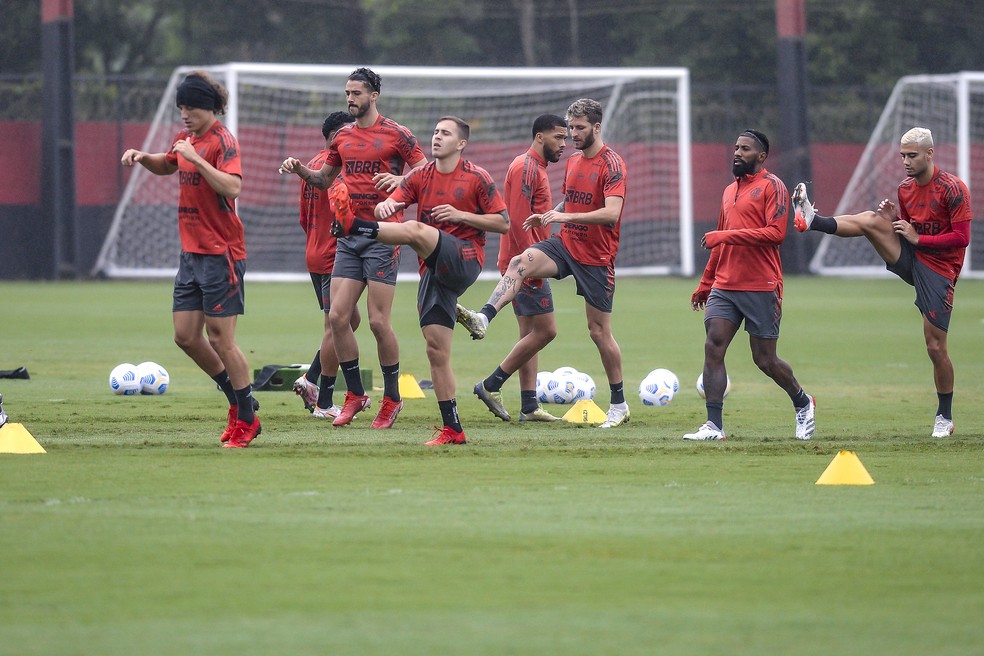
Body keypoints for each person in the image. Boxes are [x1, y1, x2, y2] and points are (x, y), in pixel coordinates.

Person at [331, 116, 508, 445]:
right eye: (436, 131)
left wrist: (460, 216)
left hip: (465, 257)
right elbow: (395, 199)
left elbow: (503, 223)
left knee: (415, 231)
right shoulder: (419, 176)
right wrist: (385, 206)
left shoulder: (477, 177)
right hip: (434, 270)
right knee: (436, 350)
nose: (437, 137)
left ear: (461, 144)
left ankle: (354, 225)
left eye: (446, 133)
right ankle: (453, 429)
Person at [455, 99, 630, 429]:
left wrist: (562, 214)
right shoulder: (572, 163)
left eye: (578, 129)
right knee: (523, 261)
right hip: (566, 243)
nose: (572, 137)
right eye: (569, 129)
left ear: (596, 127)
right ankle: (484, 316)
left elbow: (611, 213)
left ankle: (619, 403)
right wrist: (550, 215)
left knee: (598, 332)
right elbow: (571, 200)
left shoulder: (613, 165)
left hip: (597, 258)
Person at [792, 126, 971, 438]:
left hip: (940, 272)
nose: (905, 161)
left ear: (930, 154)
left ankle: (945, 416)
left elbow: (962, 238)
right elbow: (908, 229)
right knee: (873, 221)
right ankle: (812, 220)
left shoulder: (954, 189)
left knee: (935, 347)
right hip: (913, 259)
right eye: (902, 155)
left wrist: (919, 237)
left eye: (912, 155)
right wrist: (894, 223)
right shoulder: (905, 188)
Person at [279, 67, 427, 429]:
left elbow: (427, 172)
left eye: (357, 93)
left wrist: (401, 180)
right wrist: (300, 170)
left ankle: (392, 398)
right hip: (347, 238)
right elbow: (323, 179)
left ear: (374, 95)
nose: (350, 98)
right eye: (347, 92)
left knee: (377, 322)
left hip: (383, 235)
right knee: (337, 317)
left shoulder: (398, 135)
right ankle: (356, 394)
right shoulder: (341, 137)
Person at [121, 71, 260, 448]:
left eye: (191, 107)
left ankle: (246, 418)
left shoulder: (221, 141)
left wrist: (197, 159)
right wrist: (143, 157)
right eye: (181, 107)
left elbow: (233, 186)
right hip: (191, 254)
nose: (184, 114)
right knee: (185, 336)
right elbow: (168, 164)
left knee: (222, 340)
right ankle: (238, 399)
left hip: (221, 253)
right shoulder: (186, 140)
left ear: (209, 107)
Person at [685, 129, 815, 441]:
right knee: (713, 345)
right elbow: (720, 241)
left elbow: (775, 234)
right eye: (736, 147)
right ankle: (714, 426)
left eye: (745, 148)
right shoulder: (729, 191)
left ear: (761, 156)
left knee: (765, 360)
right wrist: (706, 282)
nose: (738, 153)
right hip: (725, 286)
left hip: (761, 285)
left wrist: (724, 236)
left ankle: (802, 402)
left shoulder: (773, 186)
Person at [472, 114, 568, 423]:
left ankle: (529, 405)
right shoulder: (526, 167)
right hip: (526, 263)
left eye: (565, 138)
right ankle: (491, 384)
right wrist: (529, 262)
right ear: (540, 137)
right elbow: (514, 219)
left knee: (530, 333)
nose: (563, 144)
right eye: (558, 138)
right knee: (547, 331)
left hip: (526, 261)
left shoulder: (535, 167)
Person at [291, 112, 363, 419]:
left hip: (315, 251)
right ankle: (321, 397)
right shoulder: (340, 168)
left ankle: (312, 380)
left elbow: (303, 218)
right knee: (337, 324)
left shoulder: (312, 165)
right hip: (335, 255)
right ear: (337, 136)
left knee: (348, 321)